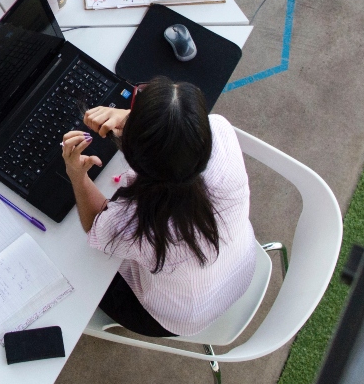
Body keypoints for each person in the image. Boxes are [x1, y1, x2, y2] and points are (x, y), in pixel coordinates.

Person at [60, 77, 255, 337]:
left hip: (172, 316)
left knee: (79, 263)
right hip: (239, 271)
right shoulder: (219, 130)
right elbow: (178, 134)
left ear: (134, 159)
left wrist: (77, 175)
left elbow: (95, 223)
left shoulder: (135, 225)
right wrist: (134, 119)